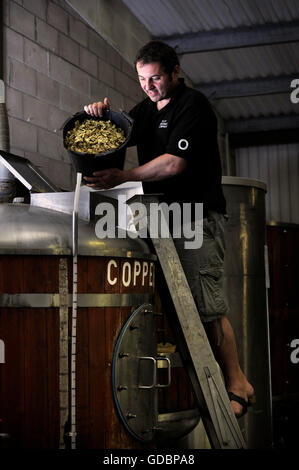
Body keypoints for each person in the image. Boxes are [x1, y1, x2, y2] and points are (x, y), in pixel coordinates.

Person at [84, 40, 255, 418]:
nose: (148, 85)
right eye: (142, 79)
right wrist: (99, 115)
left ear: (175, 72)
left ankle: (238, 380)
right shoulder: (144, 111)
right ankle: (194, 383)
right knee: (173, 304)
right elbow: (113, 136)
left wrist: (125, 176)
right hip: (164, 217)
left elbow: (174, 164)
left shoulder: (192, 106)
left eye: (155, 77)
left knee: (205, 305)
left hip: (196, 216)